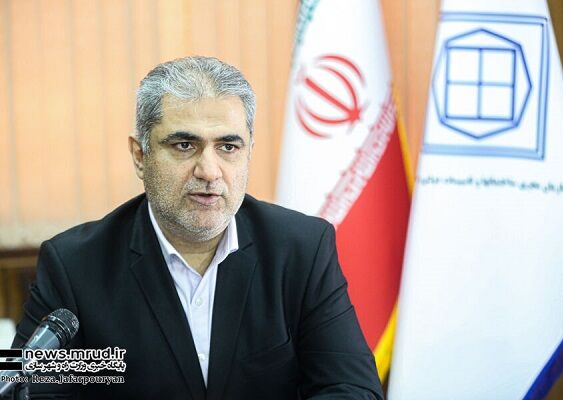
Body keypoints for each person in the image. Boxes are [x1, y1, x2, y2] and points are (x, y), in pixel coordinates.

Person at [12, 56, 383, 399]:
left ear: (248, 153)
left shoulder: (301, 249)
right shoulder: (75, 266)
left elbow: (352, 388)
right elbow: (33, 392)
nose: (209, 171)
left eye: (228, 147)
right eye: (184, 145)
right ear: (140, 156)